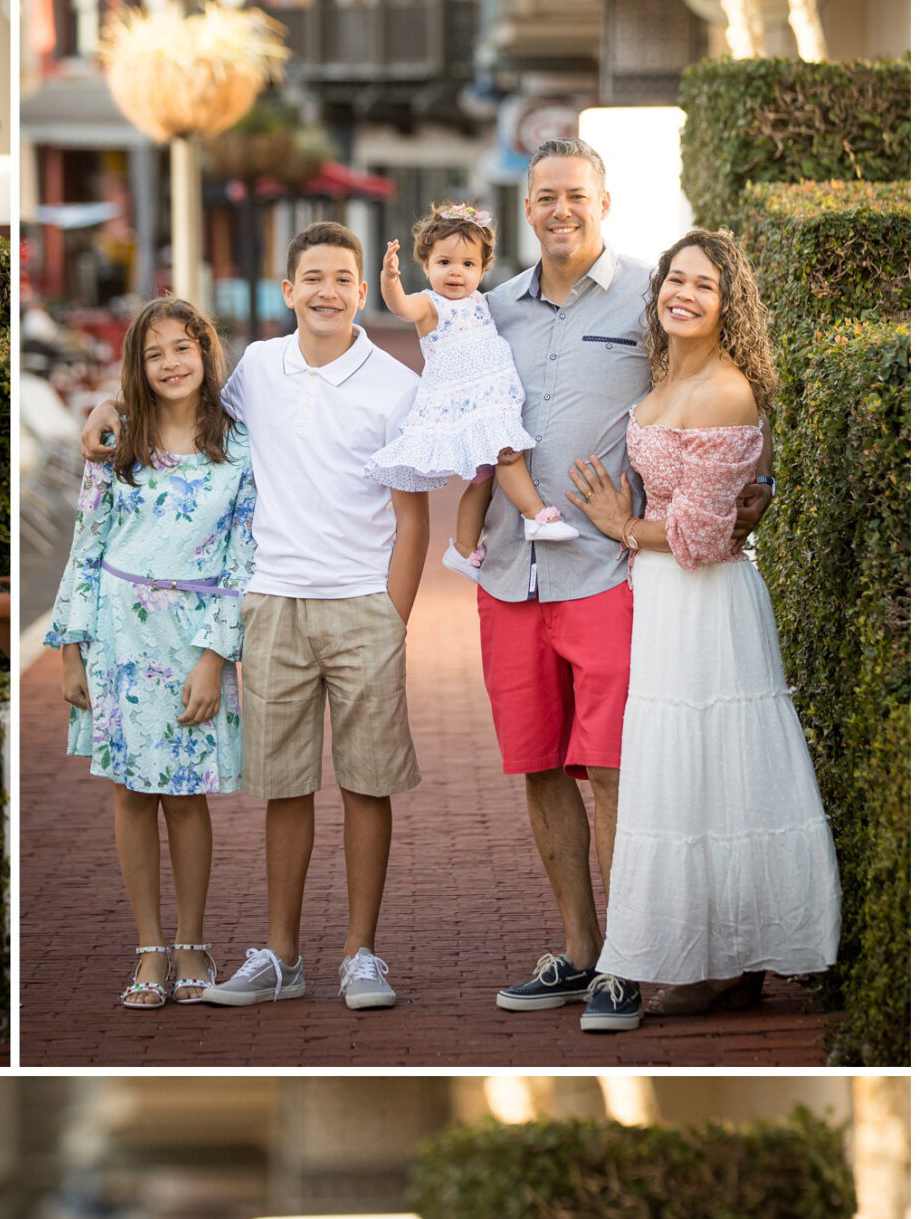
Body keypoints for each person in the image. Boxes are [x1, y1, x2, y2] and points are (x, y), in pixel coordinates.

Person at [84, 225, 430, 1014]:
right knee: (285, 787)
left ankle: (361, 953)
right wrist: (108, 400)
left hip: (361, 607)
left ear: (362, 291)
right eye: (312, 277)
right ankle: (282, 955)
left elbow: (414, 521)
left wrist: (393, 619)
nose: (328, 292)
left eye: (343, 278)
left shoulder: (394, 386)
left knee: (367, 786)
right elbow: (181, 403)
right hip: (269, 604)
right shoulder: (258, 372)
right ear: (287, 289)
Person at [468, 140, 773, 1034]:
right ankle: (583, 950)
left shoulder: (649, 298)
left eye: (576, 195)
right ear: (527, 206)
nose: (560, 209)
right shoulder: (491, 314)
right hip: (506, 574)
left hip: (607, 574)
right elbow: (459, 420)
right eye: (545, 196)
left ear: (604, 201)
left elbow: (715, 393)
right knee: (539, 766)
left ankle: (634, 960)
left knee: (613, 768)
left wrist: (752, 489)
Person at [565, 228, 839, 1017]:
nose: (682, 294)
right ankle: (714, 960)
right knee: (683, 778)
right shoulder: (659, 378)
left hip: (707, 604)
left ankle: (742, 951)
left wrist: (622, 523)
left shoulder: (726, 389)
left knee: (719, 769)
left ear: (727, 306)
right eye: (674, 280)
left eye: (703, 286)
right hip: (658, 599)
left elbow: (708, 535)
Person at [45, 298, 253, 1007]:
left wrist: (214, 657)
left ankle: (193, 941)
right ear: (138, 365)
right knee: (132, 792)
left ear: (205, 354)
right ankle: (149, 951)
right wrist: (70, 649)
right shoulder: (116, 441)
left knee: (187, 797)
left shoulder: (239, 444)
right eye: (155, 352)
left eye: (182, 348)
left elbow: (241, 559)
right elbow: (87, 544)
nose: (170, 364)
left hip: (194, 637)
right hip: (117, 636)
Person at [372, 205, 574, 555]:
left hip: (492, 399)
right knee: (508, 456)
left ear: (482, 269)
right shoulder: (430, 304)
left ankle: (465, 548)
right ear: (426, 266)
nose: (456, 273)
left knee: (484, 479)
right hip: (468, 403)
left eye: (468, 264)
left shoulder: (482, 301)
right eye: (444, 262)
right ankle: (536, 516)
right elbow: (400, 307)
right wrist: (391, 280)